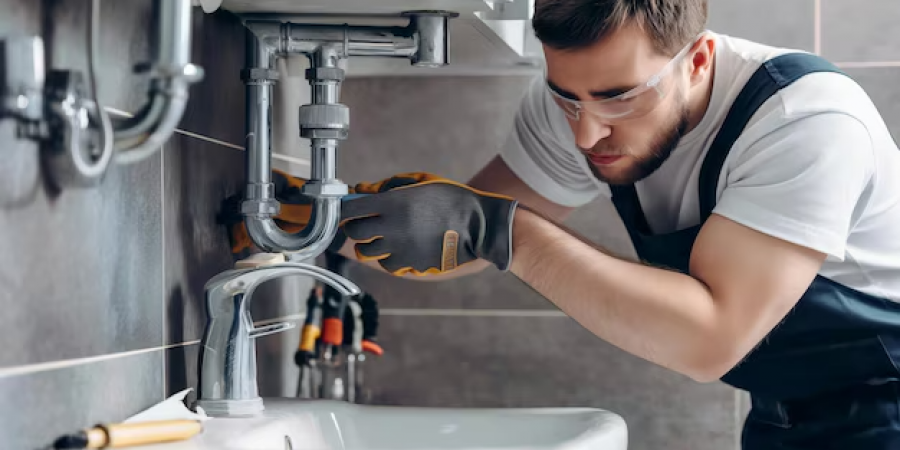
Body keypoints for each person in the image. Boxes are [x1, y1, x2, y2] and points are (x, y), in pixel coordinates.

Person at [221, 0, 900, 447]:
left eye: (619, 97)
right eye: (564, 94)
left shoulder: (803, 121)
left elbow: (709, 339)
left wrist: (508, 232)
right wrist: (323, 226)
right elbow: (462, 236)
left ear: (697, 59)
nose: (586, 132)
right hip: (781, 416)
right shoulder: (576, 105)